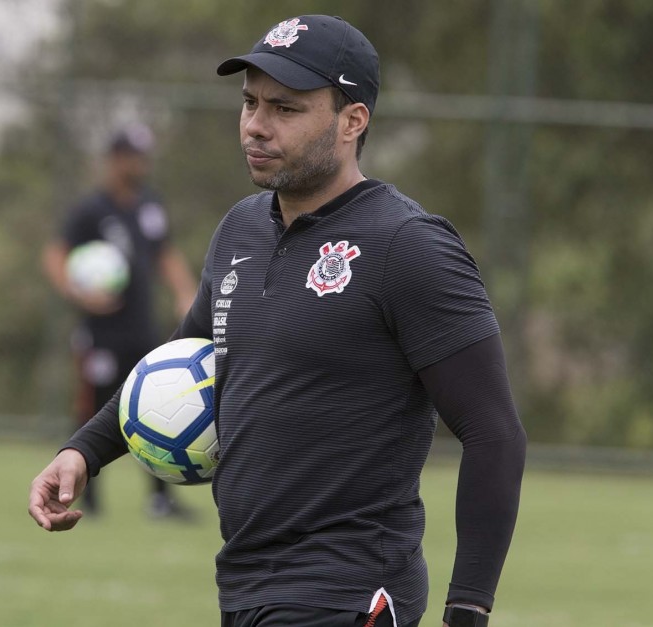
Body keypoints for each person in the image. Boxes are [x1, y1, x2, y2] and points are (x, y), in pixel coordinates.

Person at [30, 15, 526, 627]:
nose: (256, 126)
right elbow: (180, 361)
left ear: (353, 121)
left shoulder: (408, 246)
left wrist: (468, 608)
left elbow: (494, 433)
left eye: (285, 109)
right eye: (249, 103)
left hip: (351, 592)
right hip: (247, 586)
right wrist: (83, 451)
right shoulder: (238, 229)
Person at [42, 124, 197, 519]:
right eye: (132, 156)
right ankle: (85, 498)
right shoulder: (91, 210)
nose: (139, 164)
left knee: (157, 408)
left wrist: (185, 294)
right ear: (114, 159)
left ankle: (160, 500)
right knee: (94, 409)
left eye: (143, 156)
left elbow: (165, 255)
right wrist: (76, 293)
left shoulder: (149, 207)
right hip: (100, 333)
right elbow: (55, 255)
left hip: (142, 330)